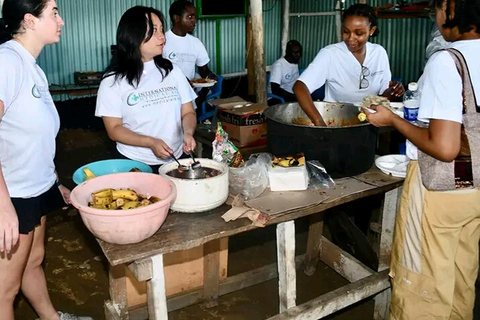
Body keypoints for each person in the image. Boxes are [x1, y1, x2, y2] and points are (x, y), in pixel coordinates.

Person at [365, 0, 480, 318]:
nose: (437, 16)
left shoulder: (448, 61)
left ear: (454, 9)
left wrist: (393, 121)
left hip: (441, 190)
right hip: (477, 194)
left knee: (422, 289)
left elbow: (445, 148)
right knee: (461, 278)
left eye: (440, 8)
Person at [0, 1, 91, 319]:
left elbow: (33, 135)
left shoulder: (33, 67)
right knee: (4, 292)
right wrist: (2, 205)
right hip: (12, 195)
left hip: (35, 188)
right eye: (53, 12)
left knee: (34, 261)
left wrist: (53, 184)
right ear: (29, 20)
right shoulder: (6, 62)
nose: (61, 20)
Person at [95, 6, 197, 174]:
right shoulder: (113, 80)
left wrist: (188, 133)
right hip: (135, 164)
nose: (162, 36)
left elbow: (188, 112)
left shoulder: (172, 71)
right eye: (154, 31)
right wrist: (150, 142)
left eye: (162, 30)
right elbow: (114, 129)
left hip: (177, 159)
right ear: (134, 35)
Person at [293, 3, 404, 126]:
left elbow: (384, 96)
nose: (351, 38)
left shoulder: (379, 53)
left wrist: (394, 90)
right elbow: (300, 87)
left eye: (359, 33)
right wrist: (319, 121)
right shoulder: (330, 54)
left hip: (370, 123)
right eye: (346, 32)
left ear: (371, 31)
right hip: (337, 122)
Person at [163, 0, 217, 109]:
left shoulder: (196, 43)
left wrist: (212, 78)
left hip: (189, 96)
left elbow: (204, 71)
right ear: (176, 18)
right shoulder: (162, 41)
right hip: (167, 98)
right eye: (190, 17)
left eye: (194, 17)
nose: (194, 21)